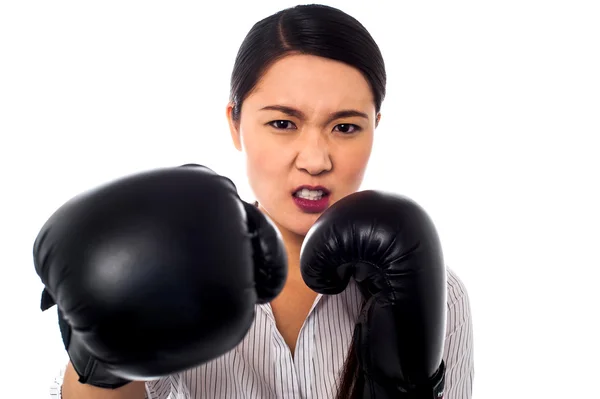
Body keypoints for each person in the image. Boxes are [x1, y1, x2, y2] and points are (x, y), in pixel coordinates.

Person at [48, 4, 474, 398]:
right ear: (235, 124)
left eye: (345, 127)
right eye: (283, 122)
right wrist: (100, 357)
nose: (315, 160)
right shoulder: (178, 267)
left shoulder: (438, 293)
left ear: (375, 127)